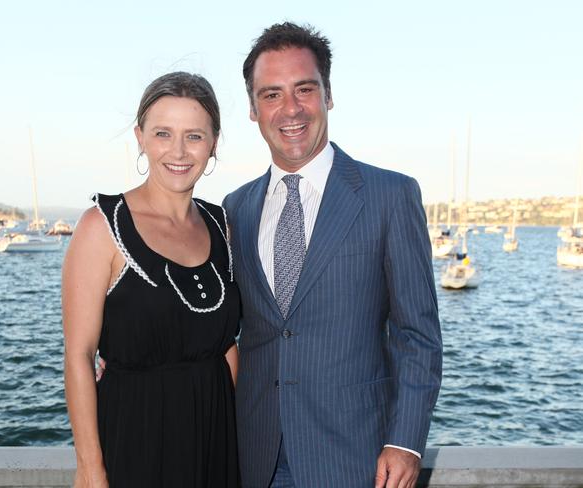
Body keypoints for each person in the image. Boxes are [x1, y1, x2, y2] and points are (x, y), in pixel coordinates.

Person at [222, 22, 443, 488]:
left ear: (328, 94)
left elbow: (417, 335)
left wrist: (406, 442)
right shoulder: (235, 209)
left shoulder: (390, 195)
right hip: (255, 455)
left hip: (358, 458)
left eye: (304, 89)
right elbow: (220, 325)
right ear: (252, 109)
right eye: (271, 94)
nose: (290, 109)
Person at [62, 72, 240, 487]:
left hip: (215, 437)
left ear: (214, 143)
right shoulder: (101, 227)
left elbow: (226, 344)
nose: (178, 151)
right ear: (140, 137)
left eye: (194, 136)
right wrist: (91, 469)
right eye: (163, 133)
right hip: (135, 438)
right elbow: (78, 356)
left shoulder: (221, 225)